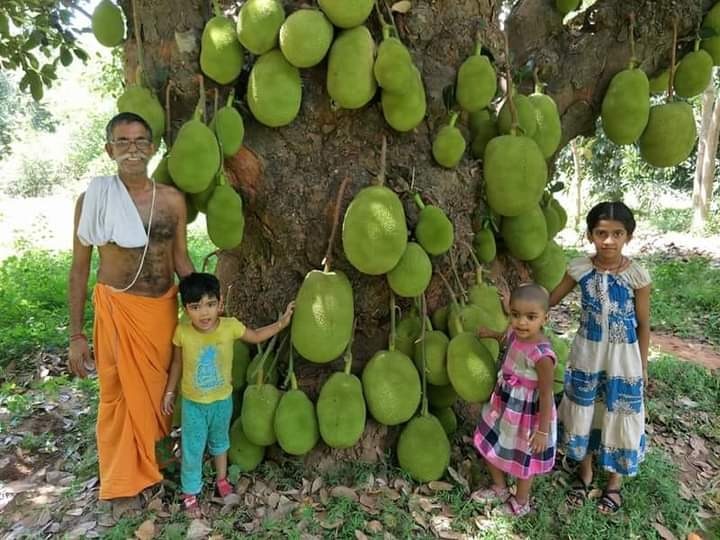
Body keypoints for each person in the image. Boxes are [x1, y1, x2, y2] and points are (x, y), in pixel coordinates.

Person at [67, 112, 194, 516]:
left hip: (161, 312)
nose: (133, 149)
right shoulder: (93, 201)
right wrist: (75, 335)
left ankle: (153, 462)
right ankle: (123, 483)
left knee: (159, 394)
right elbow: (80, 268)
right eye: (123, 142)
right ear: (109, 150)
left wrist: (204, 306)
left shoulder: (172, 199)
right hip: (118, 310)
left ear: (154, 146)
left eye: (141, 140)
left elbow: (181, 260)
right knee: (120, 397)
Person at [162, 272, 294, 517]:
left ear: (220, 304)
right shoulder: (182, 332)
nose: (204, 313)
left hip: (222, 402)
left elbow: (254, 336)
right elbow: (177, 364)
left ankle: (222, 480)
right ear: (185, 309)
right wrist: (170, 392)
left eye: (210, 305)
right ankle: (191, 491)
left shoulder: (230, 326)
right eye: (196, 307)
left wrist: (281, 324)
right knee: (192, 448)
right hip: (193, 404)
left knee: (221, 444)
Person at [549, 201, 651, 515]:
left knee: (619, 412)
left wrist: (643, 366)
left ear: (628, 237)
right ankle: (585, 472)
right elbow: (550, 299)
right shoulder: (580, 268)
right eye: (601, 233)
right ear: (591, 235)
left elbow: (644, 324)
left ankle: (614, 483)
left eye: (617, 233)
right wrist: (516, 305)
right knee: (587, 411)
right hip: (587, 354)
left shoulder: (637, 276)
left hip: (624, 359)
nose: (609, 240)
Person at [471, 283, 557, 517]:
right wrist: (489, 333)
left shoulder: (542, 355)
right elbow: (504, 336)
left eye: (531, 317)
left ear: (545, 319)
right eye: (516, 315)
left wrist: (542, 431)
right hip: (504, 404)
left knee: (523, 459)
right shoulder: (514, 332)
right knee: (490, 442)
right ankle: (499, 486)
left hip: (528, 415)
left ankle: (520, 501)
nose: (522, 322)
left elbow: (547, 394)